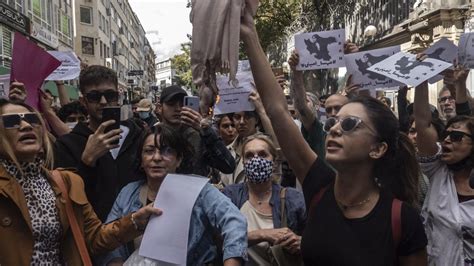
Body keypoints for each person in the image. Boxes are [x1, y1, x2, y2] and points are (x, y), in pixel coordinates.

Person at [239, 4, 427, 265]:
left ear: (378, 148)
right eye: (332, 123)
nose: (335, 128)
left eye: (349, 124)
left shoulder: (402, 219)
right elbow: (278, 110)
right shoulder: (318, 186)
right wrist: (248, 32)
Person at [0, 99, 160, 265]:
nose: (26, 125)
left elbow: (94, 238)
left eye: (32, 119)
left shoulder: (67, 182)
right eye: (12, 121)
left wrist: (134, 221)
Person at [103, 124, 247, 265]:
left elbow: (234, 221)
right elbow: (110, 238)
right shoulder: (128, 193)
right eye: (149, 151)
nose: (157, 157)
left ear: (179, 159)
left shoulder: (199, 190)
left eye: (166, 151)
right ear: (141, 159)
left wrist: (232, 261)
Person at [54, 65, 144, 221]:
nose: (103, 102)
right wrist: (87, 160)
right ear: (83, 101)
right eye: (95, 96)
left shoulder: (140, 136)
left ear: (118, 96)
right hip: (93, 233)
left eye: (110, 95)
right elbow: (65, 196)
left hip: (136, 228)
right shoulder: (67, 144)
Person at [414, 77, 474, 265]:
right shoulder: (437, 170)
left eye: (456, 136)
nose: (447, 140)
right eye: (446, 134)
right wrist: (420, 78)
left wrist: (460, 86)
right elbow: (423, 124)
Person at [223, 134, 306, 265]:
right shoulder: (231, 196)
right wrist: (262, 234)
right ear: (243, 163)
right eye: (249, 156)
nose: (256, 160)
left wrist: (301, 242)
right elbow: (221, 238)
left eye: (263, 154)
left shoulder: (293, 199)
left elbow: (319, 241)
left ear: (274, 162)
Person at [157, 85, 236, 177]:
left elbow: (228, 166)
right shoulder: (152, 136)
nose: (178, 109)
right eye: (171, 104)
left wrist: (205, 130)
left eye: (182, 104)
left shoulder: (197, 137)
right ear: (160, 107)